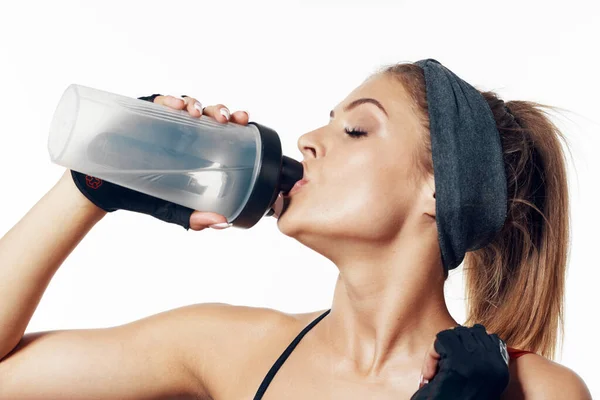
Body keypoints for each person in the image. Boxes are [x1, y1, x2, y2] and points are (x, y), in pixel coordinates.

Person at [0, 59, 592, 399]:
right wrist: (90, 186)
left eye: (356, 130)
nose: (309, 139)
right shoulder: (228, 348)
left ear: (440, 188)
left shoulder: (536, 391)